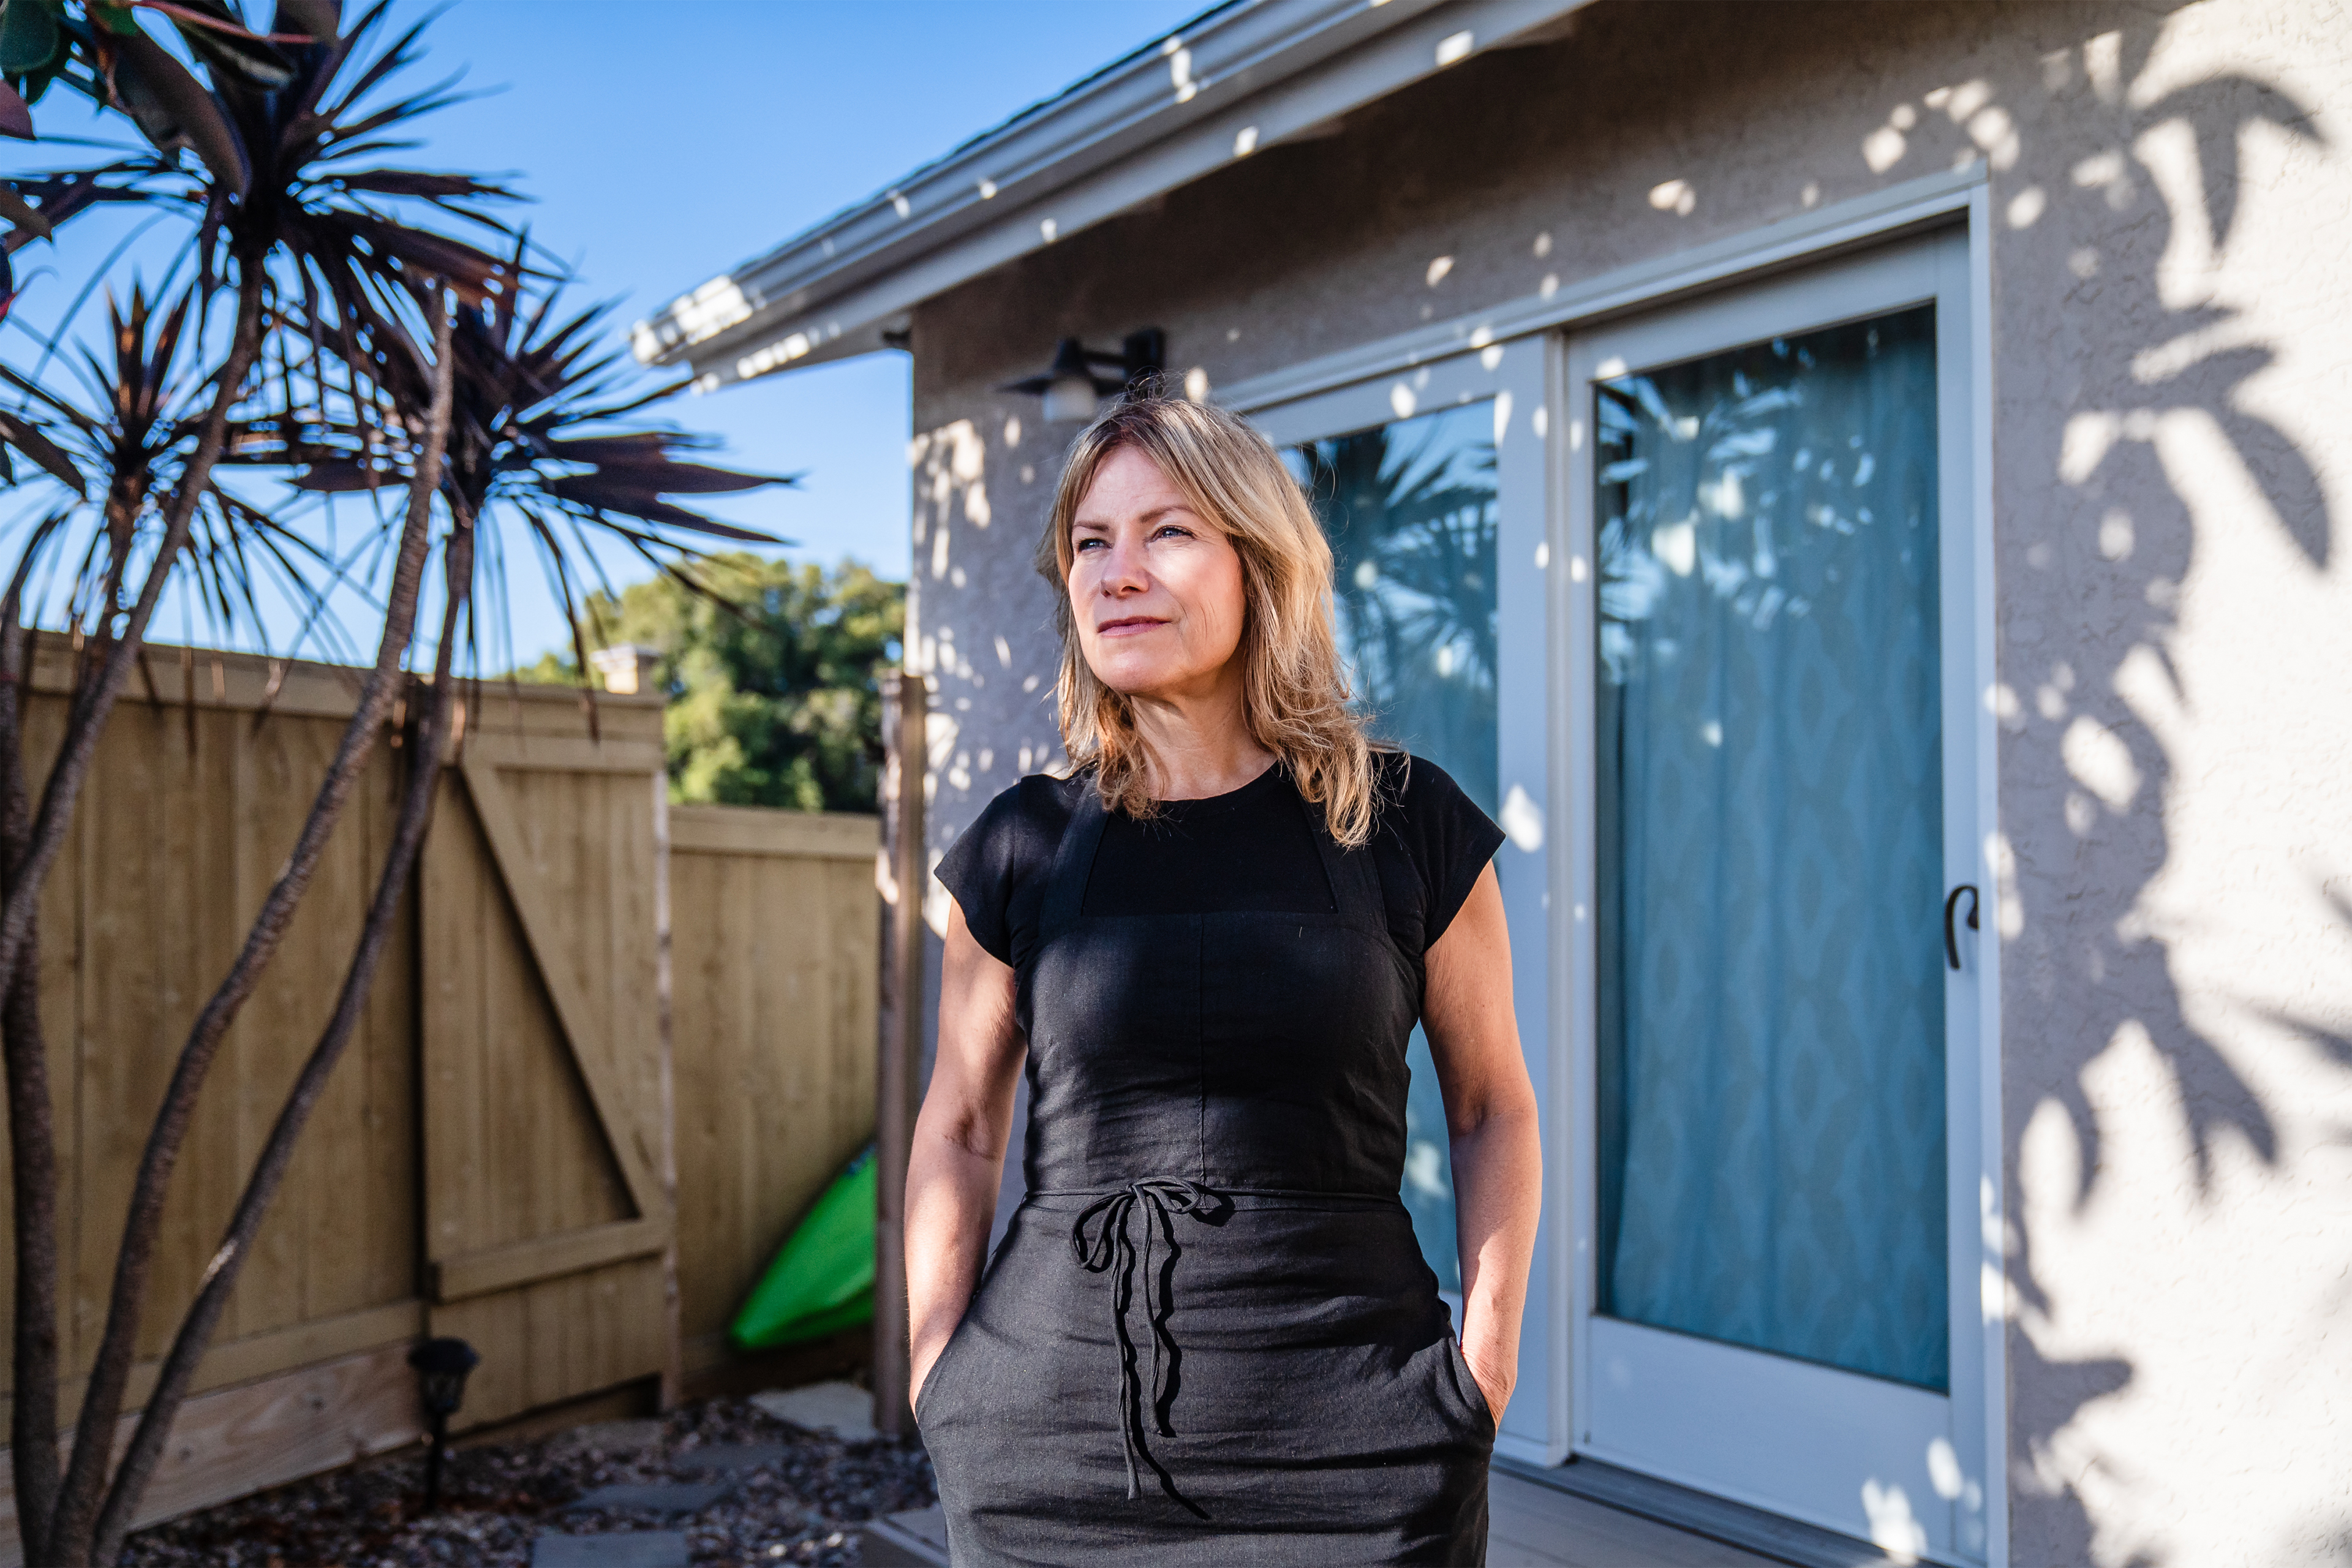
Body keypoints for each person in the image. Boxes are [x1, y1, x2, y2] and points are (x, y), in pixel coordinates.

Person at [905, 392, 1542, 1565]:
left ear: (1261, 564)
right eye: (1090, 543)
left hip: (1366, 1443)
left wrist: (1485, 1365)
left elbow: (1493, 1105)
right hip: (1049, 1448)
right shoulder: (1020, 845)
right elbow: (956, 1122)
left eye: (1167, 533)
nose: (1116, 571)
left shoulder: (1405, 822)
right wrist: (938, 1367)